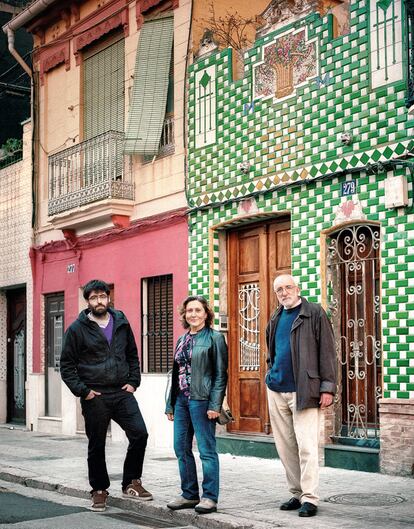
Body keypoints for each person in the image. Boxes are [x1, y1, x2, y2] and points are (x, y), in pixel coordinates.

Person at [60, 279, 152, 512]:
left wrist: (134, 381)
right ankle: (99, 490)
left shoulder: (121, 321)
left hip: (122, 392)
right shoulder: (76, 329)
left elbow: (132, 353)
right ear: (88, 301)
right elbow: (67, 366)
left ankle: (131, 482)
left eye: (102, 296)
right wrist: (84, 391)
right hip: (96, 395)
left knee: (140, 434)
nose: (99, 301)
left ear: (109, 297)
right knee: (97, 443)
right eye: (93, 297)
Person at [266, 274, 336, 518]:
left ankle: (310, 497)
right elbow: (271, 351)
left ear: (297, 289)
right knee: (286, 447)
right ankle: (296, 493)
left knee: (307, 446)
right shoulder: (275, 316)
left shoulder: (314, 313)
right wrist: (270, 373)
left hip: (304, 389)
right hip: (276, 389)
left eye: (288, 287)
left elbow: (327, 351)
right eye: (279, 290)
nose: (284, 292)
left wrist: (327, 387)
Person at [165, 295, 228, 514]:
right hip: (181, 400)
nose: (193, 314)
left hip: (202, 401)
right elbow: (175, 374)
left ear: (206, 314)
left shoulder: (215, 338)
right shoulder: (181, 340)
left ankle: (210, 497)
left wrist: (215, 405)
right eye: (189, 311)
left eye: (198, 310)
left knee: (206, 450)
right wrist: (170, 404)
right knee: (180, 448)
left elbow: (221, 375)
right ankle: (189, 495)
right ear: (184, 314)